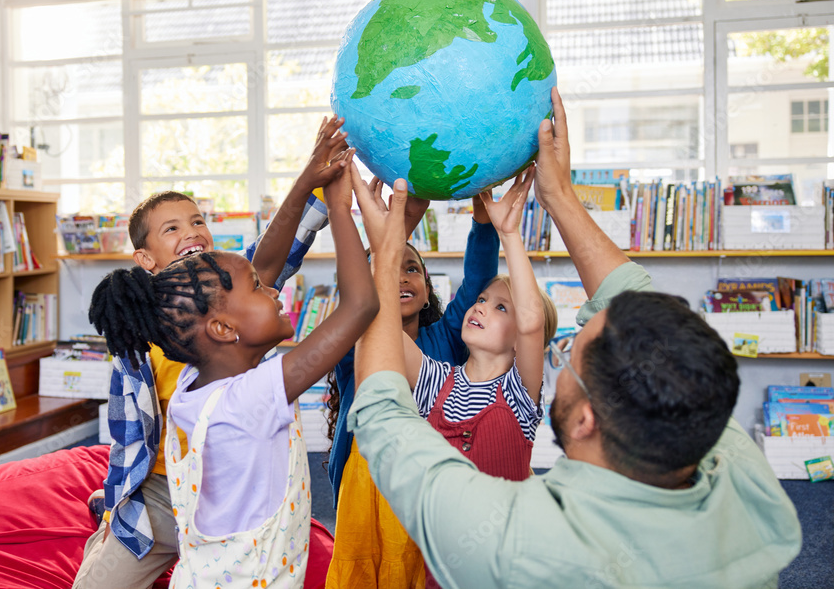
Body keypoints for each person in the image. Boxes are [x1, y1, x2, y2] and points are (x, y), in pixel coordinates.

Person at [346, 87, 802, 588]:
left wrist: (385, 253)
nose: (558, 354)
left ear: (585, 418)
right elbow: (630, 297)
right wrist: (558, 195)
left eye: (571, 354)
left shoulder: (512, 540)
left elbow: (382, 415)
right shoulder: (741, 476)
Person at [87, 154, 391, 587]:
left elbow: (271, 254)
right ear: (145, 259)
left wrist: (314, 186)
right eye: (171, 228)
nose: (191, 232)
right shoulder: (160, 338)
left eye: (197, 221)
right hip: (162, 488)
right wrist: (119, 496)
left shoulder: (214, 330)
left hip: (217, 496)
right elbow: (128, 439)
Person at [324, 182, 499, 587]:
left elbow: (476, 280)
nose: (401, 277)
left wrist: (484, 223)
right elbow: (365, 293)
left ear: (426, 291)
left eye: (412, 269)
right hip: (365, 486)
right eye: (391, 268)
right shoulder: (356, 338)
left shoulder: (447, 338)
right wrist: (395, 229)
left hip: (427, 485)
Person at [407, 165, 558, 485]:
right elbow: (376, 320)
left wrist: (509, 233)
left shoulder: (519, 391)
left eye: (501, 306)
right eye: (482, 299)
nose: (481, 306)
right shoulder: (436, 380)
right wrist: (392, 231)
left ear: (520, 338)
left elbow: (531, 322)